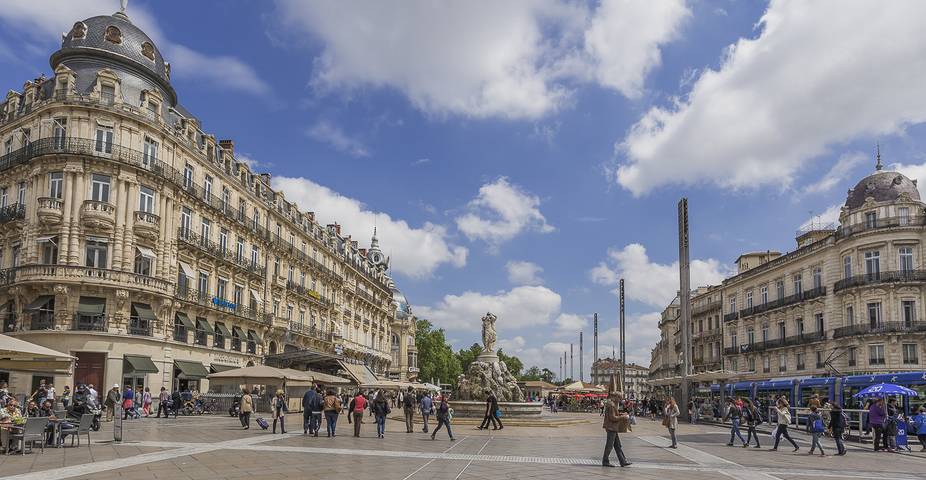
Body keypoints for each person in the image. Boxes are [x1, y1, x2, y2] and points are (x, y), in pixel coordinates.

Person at [602, 391, 631, 467]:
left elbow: (614, 415)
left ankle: (623, 461)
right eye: (620, 398)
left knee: (618, 445)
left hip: (613, 427)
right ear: (616, 397)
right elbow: (613, 418)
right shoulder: (611, 405)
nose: (621, 400)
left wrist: (621, 414)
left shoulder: (612, 404)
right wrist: (623, 417)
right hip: (611, 427)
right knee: (609, 445)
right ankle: (605, 461)